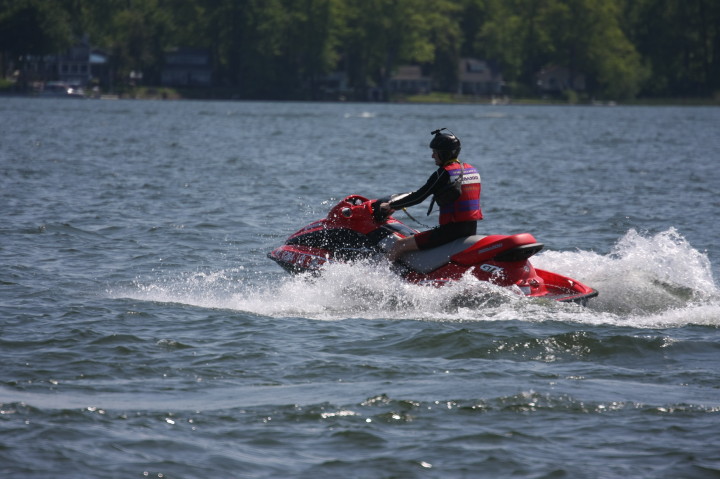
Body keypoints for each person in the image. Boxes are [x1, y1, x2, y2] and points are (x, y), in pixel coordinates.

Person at [379, 128, 482, 262]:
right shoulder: (472, 170)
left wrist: (391, 206)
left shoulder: (444, 173)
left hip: (450, 231)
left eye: (435, 152)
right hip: (471, 229)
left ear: (443, 153)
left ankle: (381, 273)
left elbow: (419, 196)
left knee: (399, 245)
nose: (432, 156)